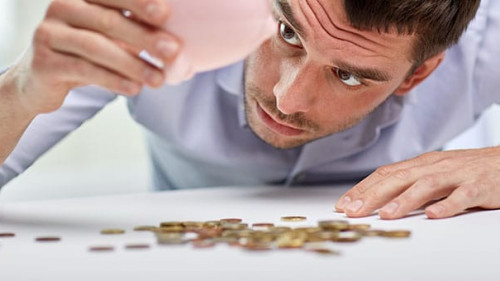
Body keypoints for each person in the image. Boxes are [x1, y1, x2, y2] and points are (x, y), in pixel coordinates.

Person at [0, 0, 498, 221]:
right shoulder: (161, 15)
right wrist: (20, 90)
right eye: (287, 33)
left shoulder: (483, 47)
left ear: (418, 75)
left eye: (348, 75)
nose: (287, 98)